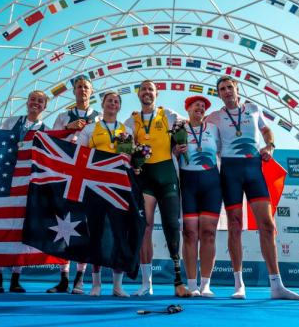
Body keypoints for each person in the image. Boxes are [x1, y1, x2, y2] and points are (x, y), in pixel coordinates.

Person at [205, 76, 299, 301]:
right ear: (219, 94)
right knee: (234, 226)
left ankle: (277, 285)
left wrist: (269, 146)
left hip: (253, 169)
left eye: (229, 87)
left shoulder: (253, 108)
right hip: (230, 171)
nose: (226, 91)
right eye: (222, 89)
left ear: (236, 89)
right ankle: (238, 284)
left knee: (268, 225)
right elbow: (200, 134)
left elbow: (267, 130)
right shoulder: (214, 117)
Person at [124, 80, 190, 297]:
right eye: (143, 89)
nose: (147, 93)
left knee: (172, 224)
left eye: (150, 90)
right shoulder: (131, 120)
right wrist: (132, 156)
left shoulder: (168, 114)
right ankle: (146, 283)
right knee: (145, 227)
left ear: (156, 94)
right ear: (138, 93)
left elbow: (190, 124)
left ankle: (179, 281)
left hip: (167, 176)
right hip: (145, 180)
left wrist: (179, 145)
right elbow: (123, 145)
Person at [0, 89, 49, 293]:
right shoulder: (11, 122)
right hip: (7, 180)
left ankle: (16, 277)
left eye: (40, 101)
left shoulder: (46, 130)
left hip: (28, 184)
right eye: (33, 99)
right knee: (0, 228)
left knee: (21, 232)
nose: (36, 103)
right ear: (27, 102)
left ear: (45, 106)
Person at [77, 91, 131, 297]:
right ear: (103, 104)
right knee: (96, 235)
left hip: (119, 187)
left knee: (119, 234)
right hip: (96, 187)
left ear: (119, 107)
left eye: (116, 101)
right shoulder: (91, 129)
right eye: (109, 101)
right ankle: (96, 284)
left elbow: (132, 157)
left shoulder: (126, 130)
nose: (113, 104)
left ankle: (118, 285)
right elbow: (80, 157)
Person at [48, 75, 99, 294]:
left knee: (84, 226)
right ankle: (64, 278)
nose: (82, 90)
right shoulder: (62, 117)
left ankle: (80, 277)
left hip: (89, 176)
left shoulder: (98, 118)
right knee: (64, 225)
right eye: (79, 87)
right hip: (66, 175)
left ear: (92, 91)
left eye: (86, 87)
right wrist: (68, 129)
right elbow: (50, 141)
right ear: (74, 91)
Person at [173, 95, 221, 297]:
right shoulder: (178, 130)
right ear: (188, 109)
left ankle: (206, 284)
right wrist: (175, 151)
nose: (200, 109)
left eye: (203, 106)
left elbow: (223, 152)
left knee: (209, 233)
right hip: (188, 184)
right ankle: (192, 284)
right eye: (196, 106)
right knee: (190, 234)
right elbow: (171, 156)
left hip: (211, 183)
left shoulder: (213, 129)